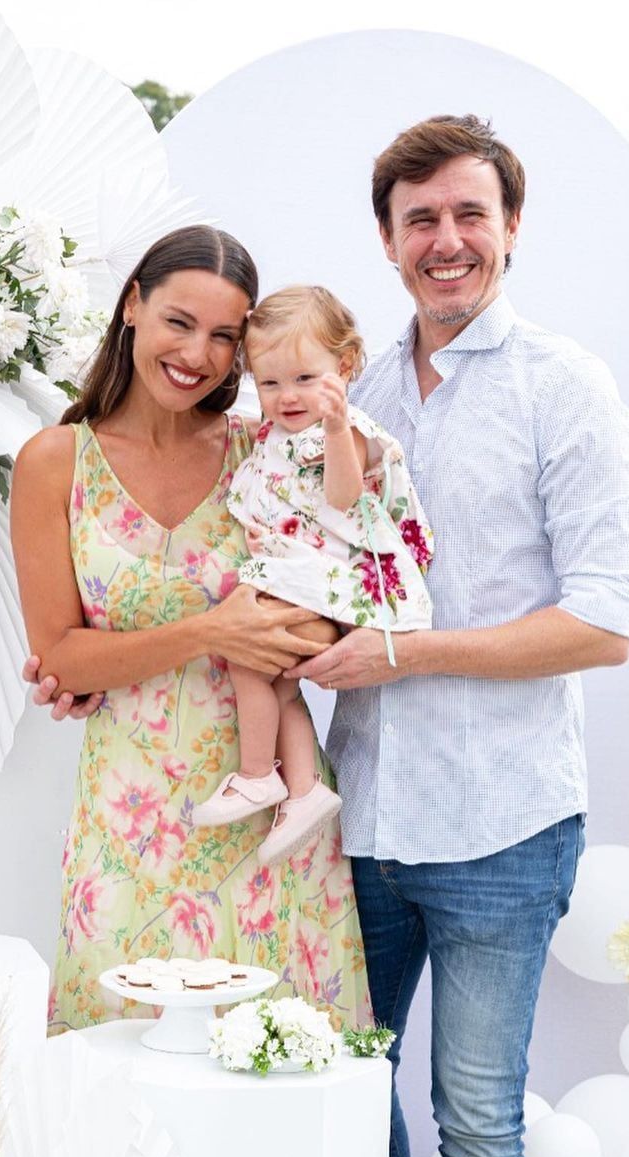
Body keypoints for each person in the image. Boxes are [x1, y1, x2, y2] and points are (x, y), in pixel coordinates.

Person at [294, 116, 629, 1157]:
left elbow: (607, 624)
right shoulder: (355, 390)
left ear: (509, 230)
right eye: (420, 221)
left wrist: (407, 650)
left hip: (506, 823)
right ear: (388, 244)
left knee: (481, 1120)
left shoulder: (565, 385)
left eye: (468, 216)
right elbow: (302, 559)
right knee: (346, 1092)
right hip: (364, 812)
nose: (447, 242)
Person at [10, 225, 374, 1034]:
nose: (199, 355)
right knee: (121, 1071)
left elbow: (343, 573)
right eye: (180, 321)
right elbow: (63, 655)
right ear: (133, 304)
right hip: (127, 819)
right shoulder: (55, 461)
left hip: (274, 818)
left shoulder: (268, 451)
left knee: (282, 1066)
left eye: (225, 337)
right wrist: (213, 633)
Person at [192, 284, 434, 865]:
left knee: (247, 655)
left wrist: (332, 428)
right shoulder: (275, 437)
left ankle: (256, 775)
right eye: (270, 382)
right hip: (304, 579)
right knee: (278, 683)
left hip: (334, 588)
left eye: (304, 379)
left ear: (344, 366)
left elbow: (344, 497)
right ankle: (303, 790)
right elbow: (280, 498)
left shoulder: (345, 431)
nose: (286, 396)